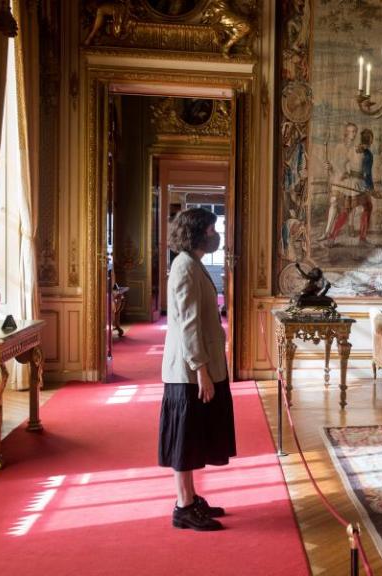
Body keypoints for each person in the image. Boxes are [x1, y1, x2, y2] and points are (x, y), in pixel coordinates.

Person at [159, 208, 235, 532]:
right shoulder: (184, 267)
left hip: (200, 366)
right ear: (198, 232)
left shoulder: (192, 263)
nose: (214, 234)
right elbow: (188, 324)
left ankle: (190, 497)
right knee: (185, 439)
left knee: (193, 437)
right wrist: (201, 369)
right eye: (211, 229)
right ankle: (183, 506)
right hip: (188, 373)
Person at [326, 128, 375, 245]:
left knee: (346, 211)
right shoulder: (368, 154)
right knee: (368, 207)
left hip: (350, 183)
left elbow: (344, 163)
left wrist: (345, 173)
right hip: (360, 185)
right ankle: (362, 239)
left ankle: (332, 238)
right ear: (370, 140)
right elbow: (367, 175)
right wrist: (372, 189)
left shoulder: (352, 149)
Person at [323, 123, 358, 239]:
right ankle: (327, 231)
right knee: (333, 202)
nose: (353, 134)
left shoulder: (355, 149)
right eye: (350, 131)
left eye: (354, 131)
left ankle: (351, 227)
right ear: (346, 133)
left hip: (350, 181)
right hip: (338, 179)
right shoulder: (339, 147)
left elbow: (356, 167)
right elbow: (333, 164)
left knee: (352, 206)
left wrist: (349, 173)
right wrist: (329, 166)